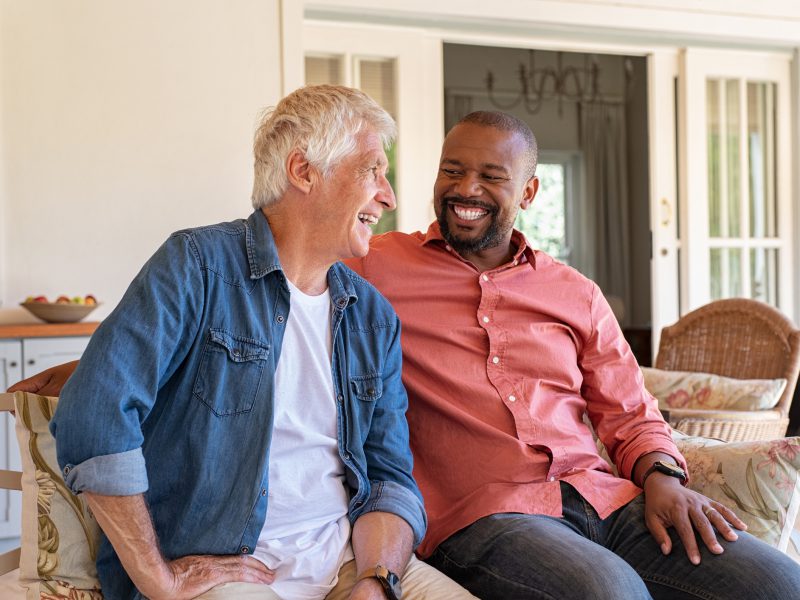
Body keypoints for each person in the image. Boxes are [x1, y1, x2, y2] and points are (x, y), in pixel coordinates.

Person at [16, 110, 800, 599]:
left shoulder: (568, 292)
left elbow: (629, 409)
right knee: (610, 595)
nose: (462, 187)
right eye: (451, 170)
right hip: (485, 514)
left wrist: (662, 477)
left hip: (602, 498)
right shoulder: (369, 266)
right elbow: (253, 282)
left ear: (528, 193)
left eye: (490, 176)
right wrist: (107, 365)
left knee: (776, 583)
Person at [12, 85, 473, 600]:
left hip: (354, 564)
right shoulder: (196, 266)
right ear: (303, 171)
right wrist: (160, 578)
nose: (388, 196)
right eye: (372, 171)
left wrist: (377, 581)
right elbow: (95, 413)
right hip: (226, 571)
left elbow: (388, 478)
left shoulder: (372, 318)